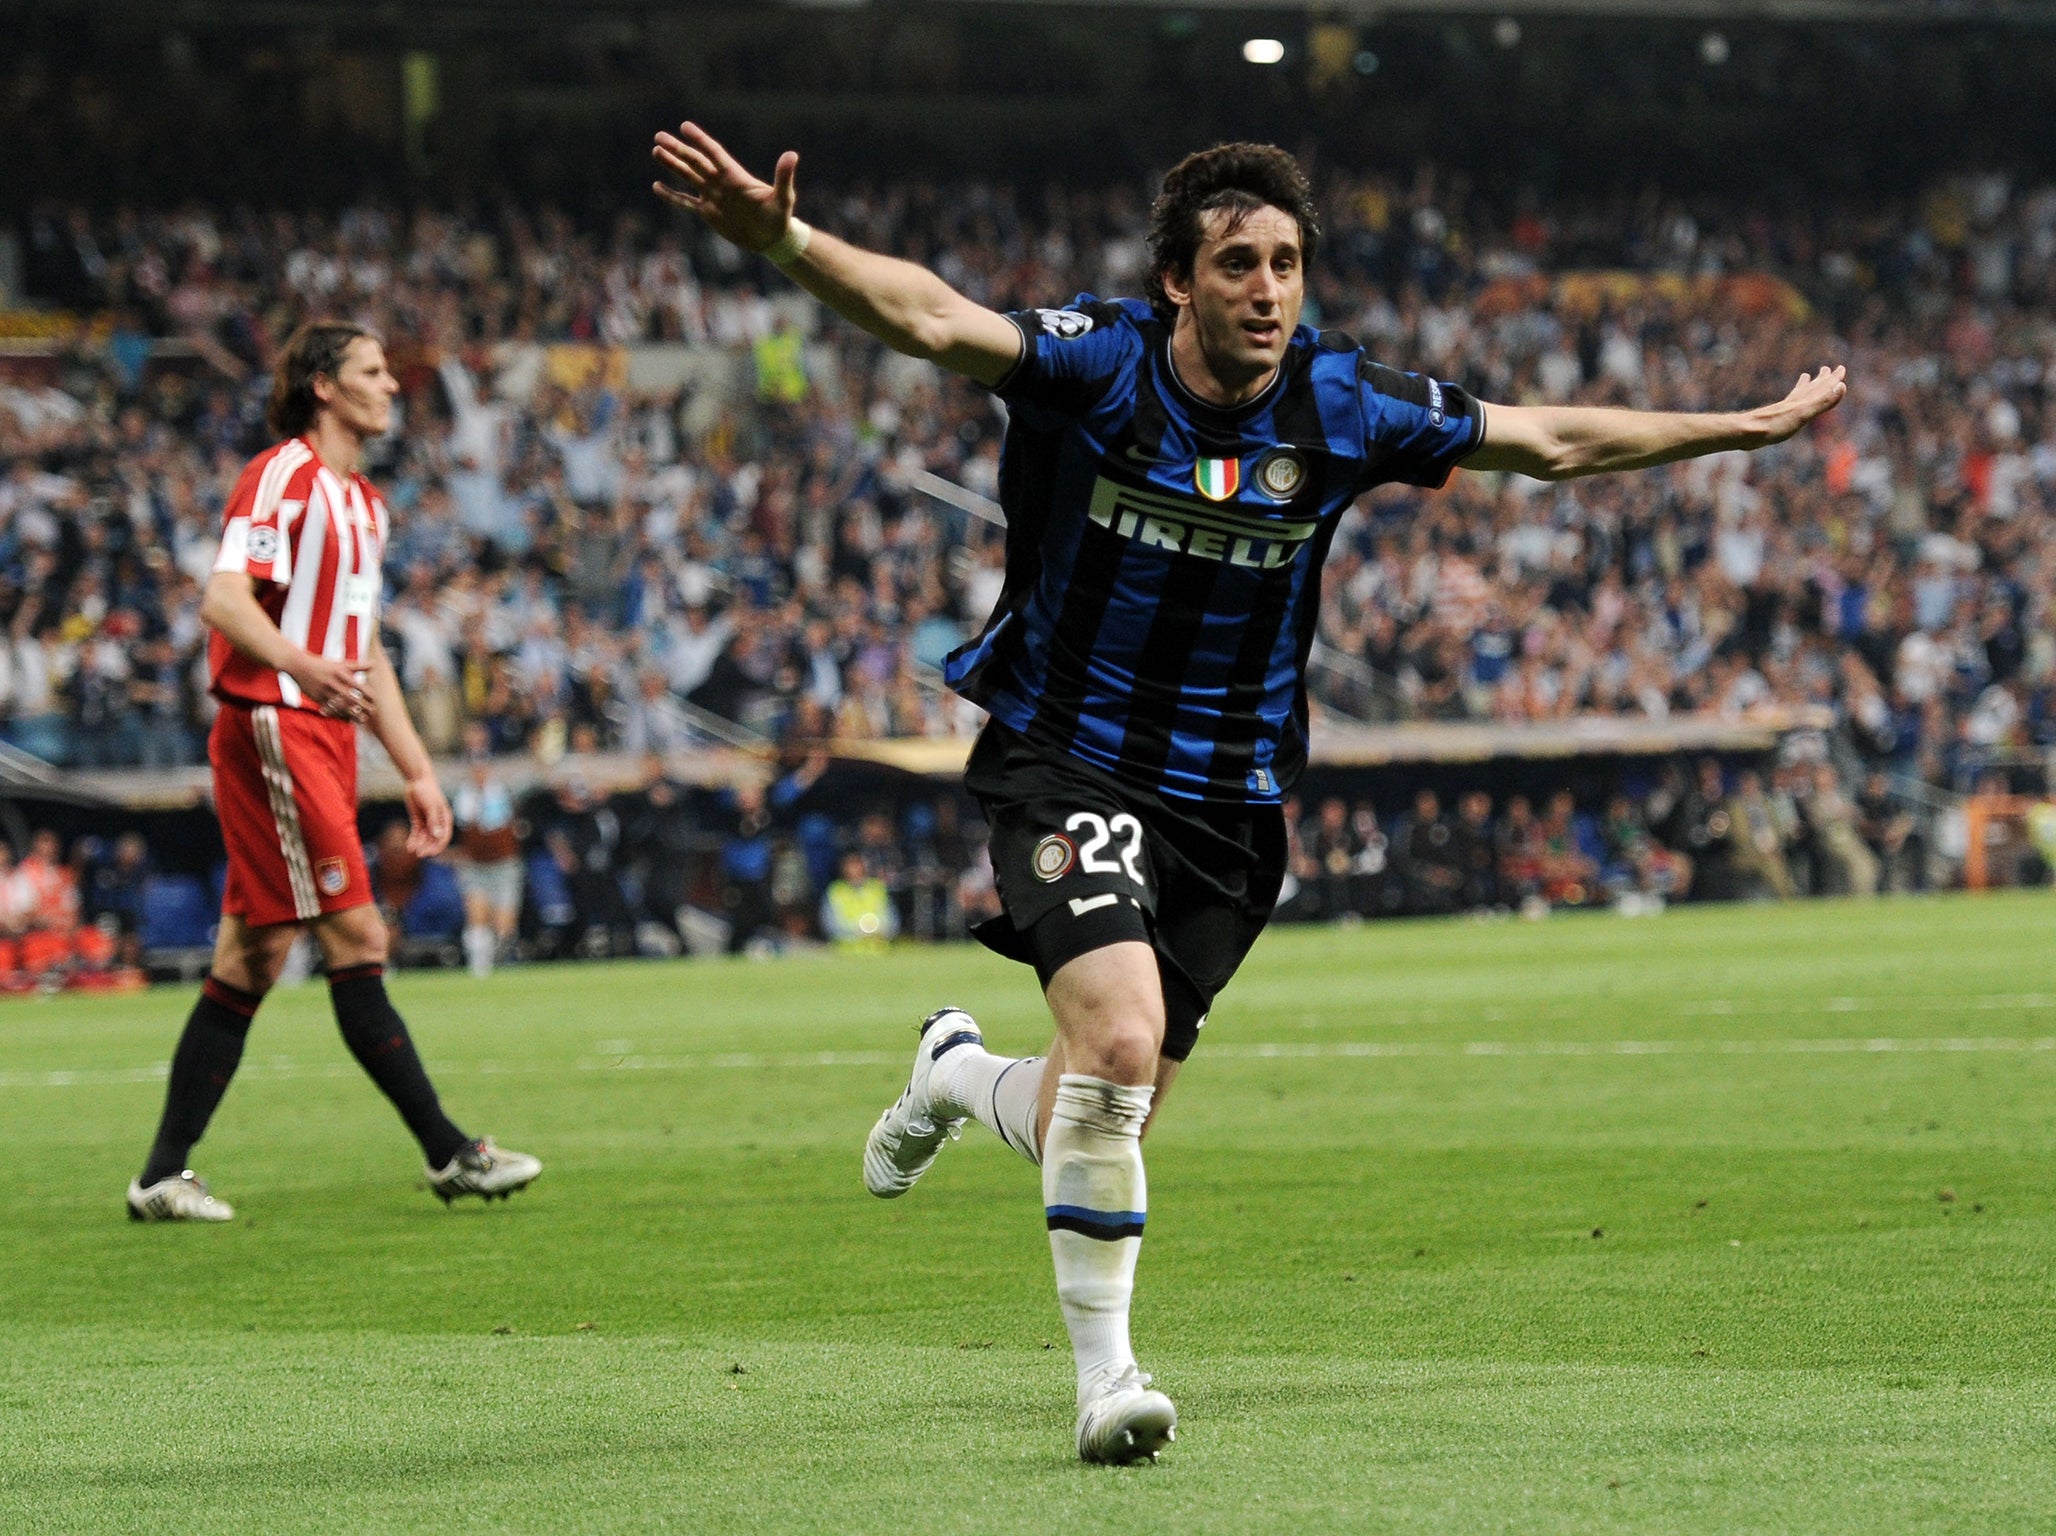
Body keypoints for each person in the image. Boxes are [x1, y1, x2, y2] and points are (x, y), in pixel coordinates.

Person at [652, 122, 1847, 1462]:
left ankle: (950, 1074)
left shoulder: (1342, 406)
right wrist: (786, 242)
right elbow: (934, 319)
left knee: (1088, 1110)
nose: (1269, 290)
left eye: (1286, 263)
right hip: (1070, 757)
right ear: (1180, 281)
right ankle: (1109, 1385)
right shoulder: (1098, 368)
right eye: (1238, 264)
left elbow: (1549, 440)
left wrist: (1740, 431)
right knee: (1112, 1050)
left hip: (1229, 806)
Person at [127, 321, 541, 1224]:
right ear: (323, 385)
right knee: (358, 939)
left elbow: (366, 658)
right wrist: (300, 665)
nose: (392, 385)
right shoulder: (283, 476)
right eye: (372, 371)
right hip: (275, 724)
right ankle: (449, 1153)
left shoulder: (365, 506)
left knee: (254, 952)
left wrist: (420, 772)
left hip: (322, 732)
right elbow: (224, 597)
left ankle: (161, 1174)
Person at [451, 720, 524, 977]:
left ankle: (501, 964)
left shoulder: (503, 791)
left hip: (504, 864)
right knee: (477, 914)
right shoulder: (462, 796)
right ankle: (479, 969)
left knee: (505, 925)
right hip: (476, 864)